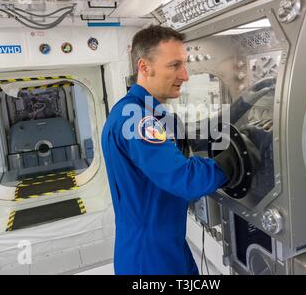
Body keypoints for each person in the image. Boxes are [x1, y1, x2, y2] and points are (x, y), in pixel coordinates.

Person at [101, 25, 272, 274]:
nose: (185, 75)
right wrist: (236, 159)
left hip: (167, 244)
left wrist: (242, 104)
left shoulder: (145, 110)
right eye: (174, 65)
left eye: (185, 64)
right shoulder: (138, 121)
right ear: (144, 67)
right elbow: (187, 180)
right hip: (151, 258)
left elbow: (197, 135)